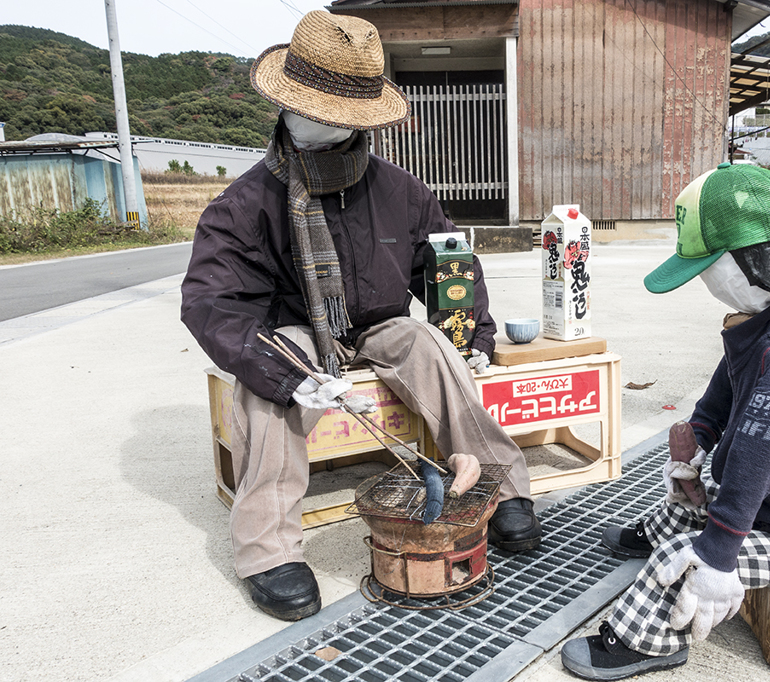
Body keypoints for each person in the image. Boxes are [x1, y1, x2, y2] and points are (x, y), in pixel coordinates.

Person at [180, 10, 542, 622]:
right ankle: (269, 549)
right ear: (284, 105)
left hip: (379, 320)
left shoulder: (400, 189)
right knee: (268, 387)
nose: (320, 121)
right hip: (290, 327)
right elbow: (212, 303)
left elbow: (449, 263)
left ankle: (502, 486)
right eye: (310, 107)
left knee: (429, 343)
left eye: (335, 113)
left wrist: (473, 330)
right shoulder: (244, 203)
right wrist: (286, 373)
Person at [559, 163, 770, 680]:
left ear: (745, 265)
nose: (701, 280)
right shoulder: (755, 335)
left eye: (704, 267)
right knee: (691, 499)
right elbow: (714, 405)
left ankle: (645, 640)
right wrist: (698, 444)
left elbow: (753, 466)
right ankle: (675, 534)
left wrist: (719, 555)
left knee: (685, 556)